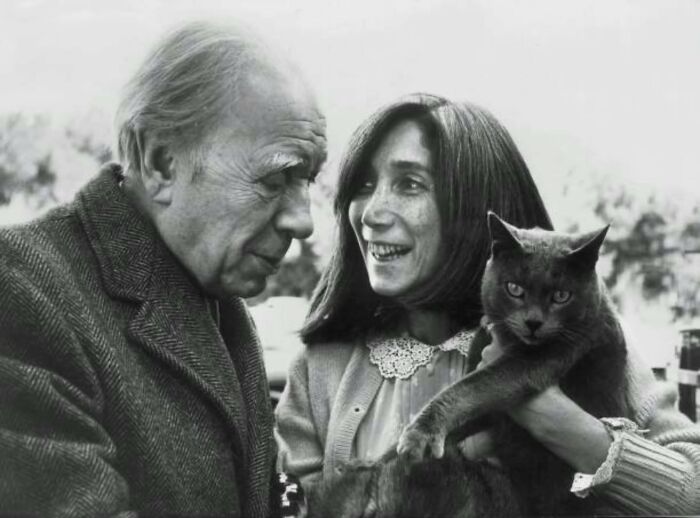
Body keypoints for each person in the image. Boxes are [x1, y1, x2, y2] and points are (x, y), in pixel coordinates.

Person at [274, 93, 700, 515]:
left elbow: (693, 492)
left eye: (409, 184)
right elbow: (290, 505)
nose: (371, 213)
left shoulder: (590, 345)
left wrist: (555, 418)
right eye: (364, 185)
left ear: (472, 204)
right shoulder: (320, 367)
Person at [0, 20, 326, 517]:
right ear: (160, 164)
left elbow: (270, 493)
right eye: (277, 177)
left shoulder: (217, 300)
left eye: (309, 180)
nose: (304, 221)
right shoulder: (22, 288)